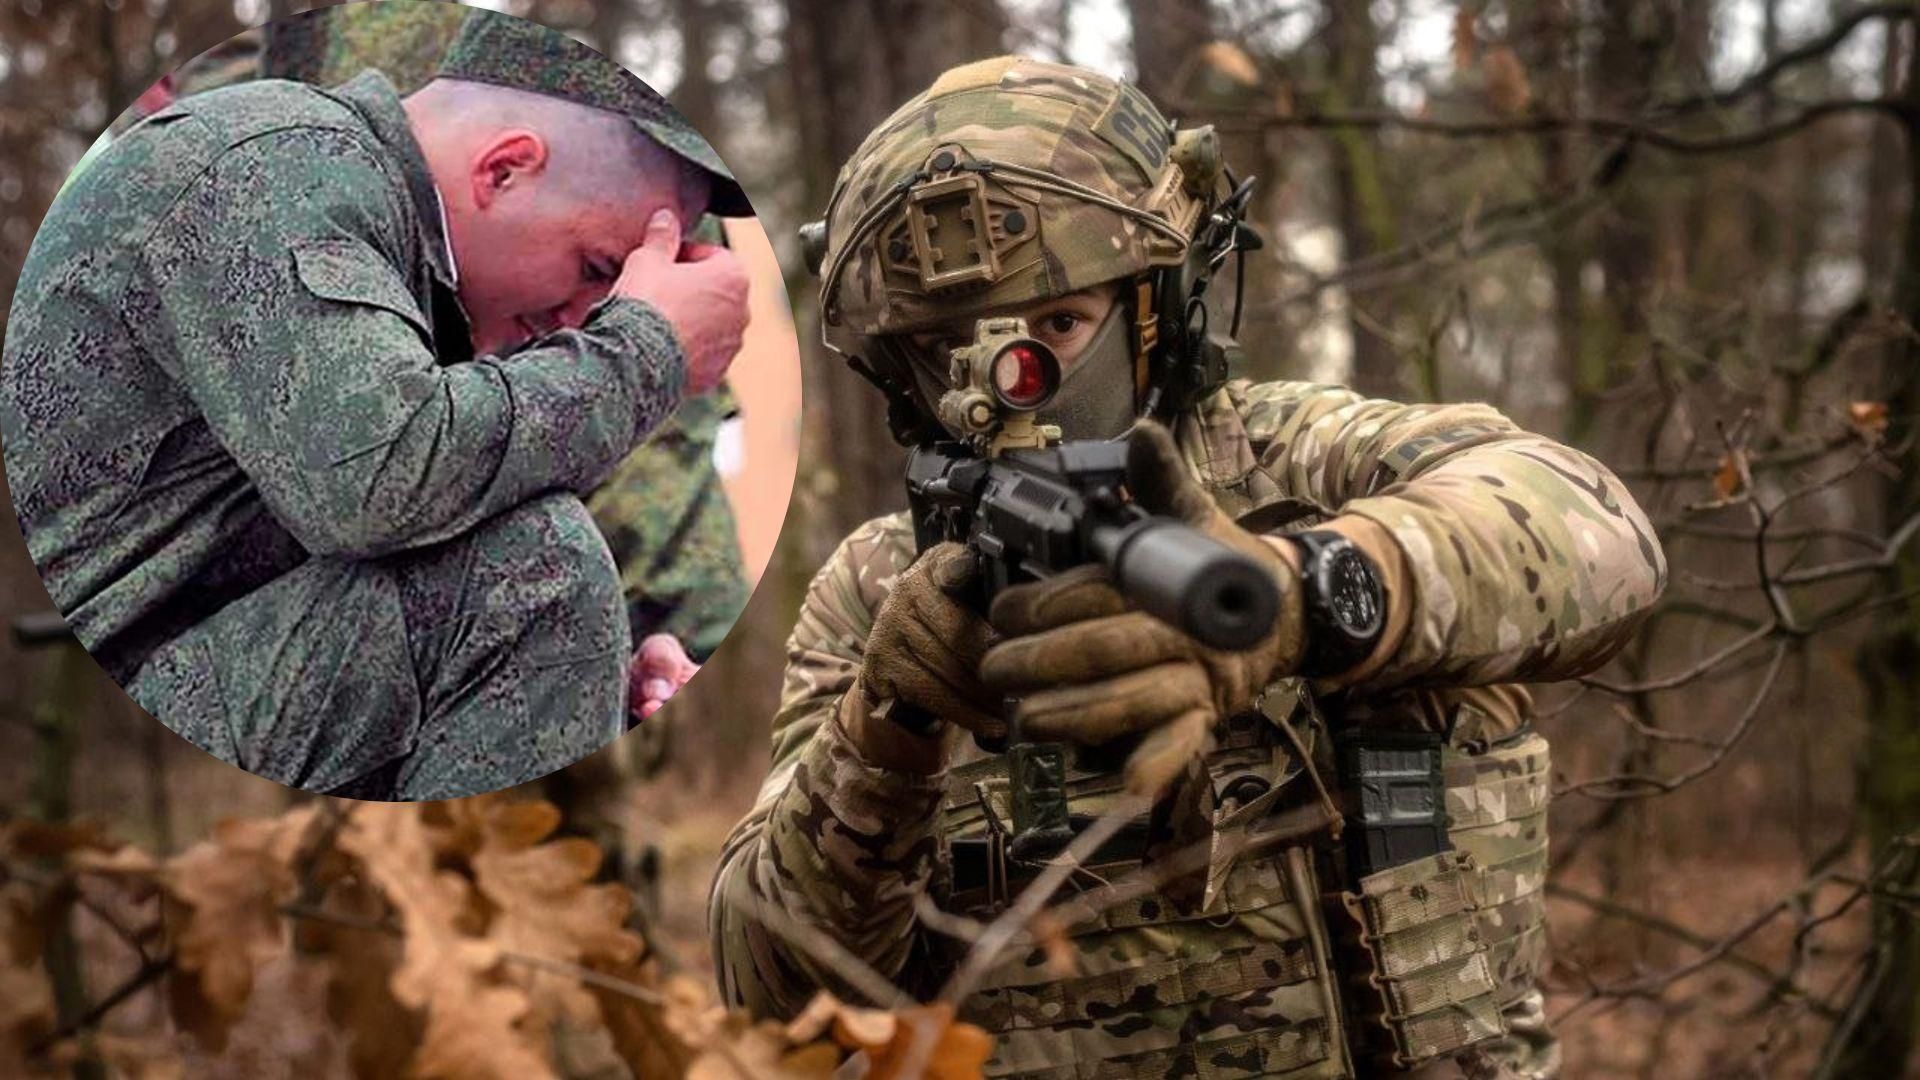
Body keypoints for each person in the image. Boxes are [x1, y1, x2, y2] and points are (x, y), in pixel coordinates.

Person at [709, 57, 1666, 1078]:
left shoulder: (1308, 461)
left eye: (1060, 326)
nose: (1011, 381)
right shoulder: (880, 592)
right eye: (951, 347)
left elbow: (1601, 533)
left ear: (1156, 302)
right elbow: (767, 995)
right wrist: (885, 735)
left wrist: (1307, 592)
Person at [2, 14, 751, 799]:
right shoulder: (283, 166)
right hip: (124, 702)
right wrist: (648, 348)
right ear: (502, 171)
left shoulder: (399, 251)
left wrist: (593, 666)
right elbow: (376, 485)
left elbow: (410, 542)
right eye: (597, 267)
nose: (584, 314)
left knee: (538, 581)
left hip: (195, 669)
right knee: (535, 571)